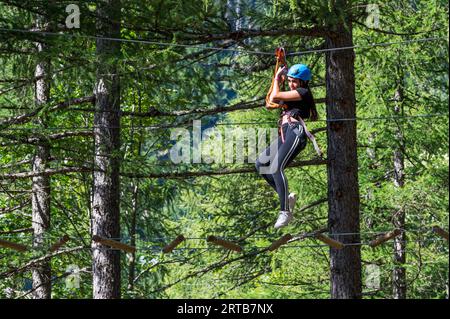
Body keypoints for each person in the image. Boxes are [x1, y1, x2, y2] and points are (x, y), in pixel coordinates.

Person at [255, 64, 319, 229]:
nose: (291, 84)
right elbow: (272, 100)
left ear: (303, 82)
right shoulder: (293, 94)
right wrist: (279, 81)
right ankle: (286, 197)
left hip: (295, 131)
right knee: (261, 164)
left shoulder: (303, 92)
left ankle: (285, 212)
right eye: (290, 81)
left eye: (295, 81)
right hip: (285, 132)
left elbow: (276, 95)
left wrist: (277, 79)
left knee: (276, 166)